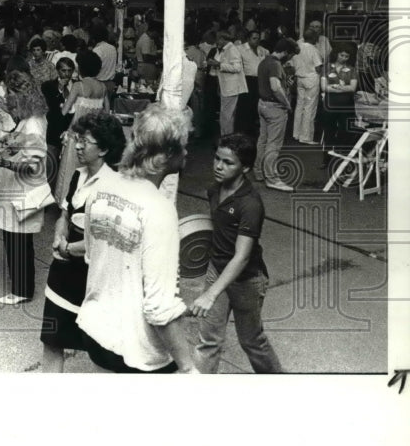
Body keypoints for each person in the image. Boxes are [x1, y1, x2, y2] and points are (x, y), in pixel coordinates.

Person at [78, 104, 198, 373]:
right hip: (136, 351)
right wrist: (189, 368)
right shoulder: (159, 209)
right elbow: (158, 307)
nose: (188, 152)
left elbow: (91, 255)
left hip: (95, 331)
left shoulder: (100, 188)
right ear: (167, 154)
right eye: (184, 145)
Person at [191, 134, 284, 373]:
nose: (219, 166)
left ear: (246, 168)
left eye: (228, 162)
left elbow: (242, 256)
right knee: (208, 342)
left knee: (252, 341)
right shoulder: (214, 190)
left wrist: (211, 293)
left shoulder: (250, 204)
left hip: (247, 281)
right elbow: (217, 229)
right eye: (217, 159)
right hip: (217, 270)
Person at [41, 110, 125, 372]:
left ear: (103, 149)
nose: (76, 145)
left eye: (84, 141)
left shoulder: (113, 186)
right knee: (52, 340)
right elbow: (65, 213)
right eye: (77, 139)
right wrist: (58, 234)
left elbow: (104, 241)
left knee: (99, 350)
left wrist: (68, 248)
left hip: (94, 278)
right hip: (62, 273)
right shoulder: (78, 175)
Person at [0, 71, 54, 305]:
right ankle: (21, 287)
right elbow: (21, 142)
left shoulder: (34, 124)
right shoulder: (32, 117)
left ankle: (22, 290)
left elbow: (33, 165)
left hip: (23, 190)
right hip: (18, 189)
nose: (9, 99)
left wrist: (4, 162)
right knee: (16, 240)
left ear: (20, 95)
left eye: (11, 95)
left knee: (17, 242)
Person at [255, 38, 298, 192]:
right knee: (274, 144)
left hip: (262, 104)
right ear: (286, 52)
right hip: (275, 107)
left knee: (263, 140)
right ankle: (272, 178)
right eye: (291, 55)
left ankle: (259, 172)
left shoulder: (264, 61)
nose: (291, 58)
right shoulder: (275, 64)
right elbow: (275, 87)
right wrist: (287, 103)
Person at [41, 57, 75, 187]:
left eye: (69, 71)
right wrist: (59, 90)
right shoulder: (48, 86)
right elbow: (50, 109)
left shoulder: (77, 87)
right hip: (53, 134)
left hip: (71, 132)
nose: (66, 74)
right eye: (63, 70)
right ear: (57, 71)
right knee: (51, 170)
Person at [320, 45, 358, 156]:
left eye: (346, 56)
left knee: (344, 131)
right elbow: (323, 87)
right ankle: (327, 158)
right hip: (330, 103)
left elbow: (352, 88)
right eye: (342, 55)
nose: (344, 58)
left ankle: (342, 158)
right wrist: (343, 88)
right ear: (337, 54)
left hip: (346, 105)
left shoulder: (352, 69)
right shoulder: (326, 68)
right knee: (328, 131)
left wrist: (335, 87)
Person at [210, 30, 247, 136]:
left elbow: (237, 68)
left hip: (231, 87)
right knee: (227, 114)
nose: (216, 42)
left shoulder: (232, 50)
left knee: (226, 114)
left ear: (222, 39)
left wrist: (219, 64)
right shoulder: (223, 50)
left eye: (218, 39)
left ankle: (225, 138)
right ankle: (227, 137)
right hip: (225, 86)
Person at [290, 27, 323, 145]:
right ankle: (305, 137)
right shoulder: (314, 50)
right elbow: (318, 67)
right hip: (311, 79)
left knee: (299, 106)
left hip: (300, 78)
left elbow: (292, 65)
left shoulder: (297, 47)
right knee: (309, 108)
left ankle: (296, 134)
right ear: (314, 38)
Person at [238, 30, 268, 138]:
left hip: (259, 80)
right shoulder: (240, 49)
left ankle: (252, 131)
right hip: (246, 79)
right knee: (245, 106)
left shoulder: (262, 50)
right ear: (248, 39)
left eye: (258, 38)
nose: (257, 40)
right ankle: (242, 132)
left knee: (256, 105)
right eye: (254, 38)